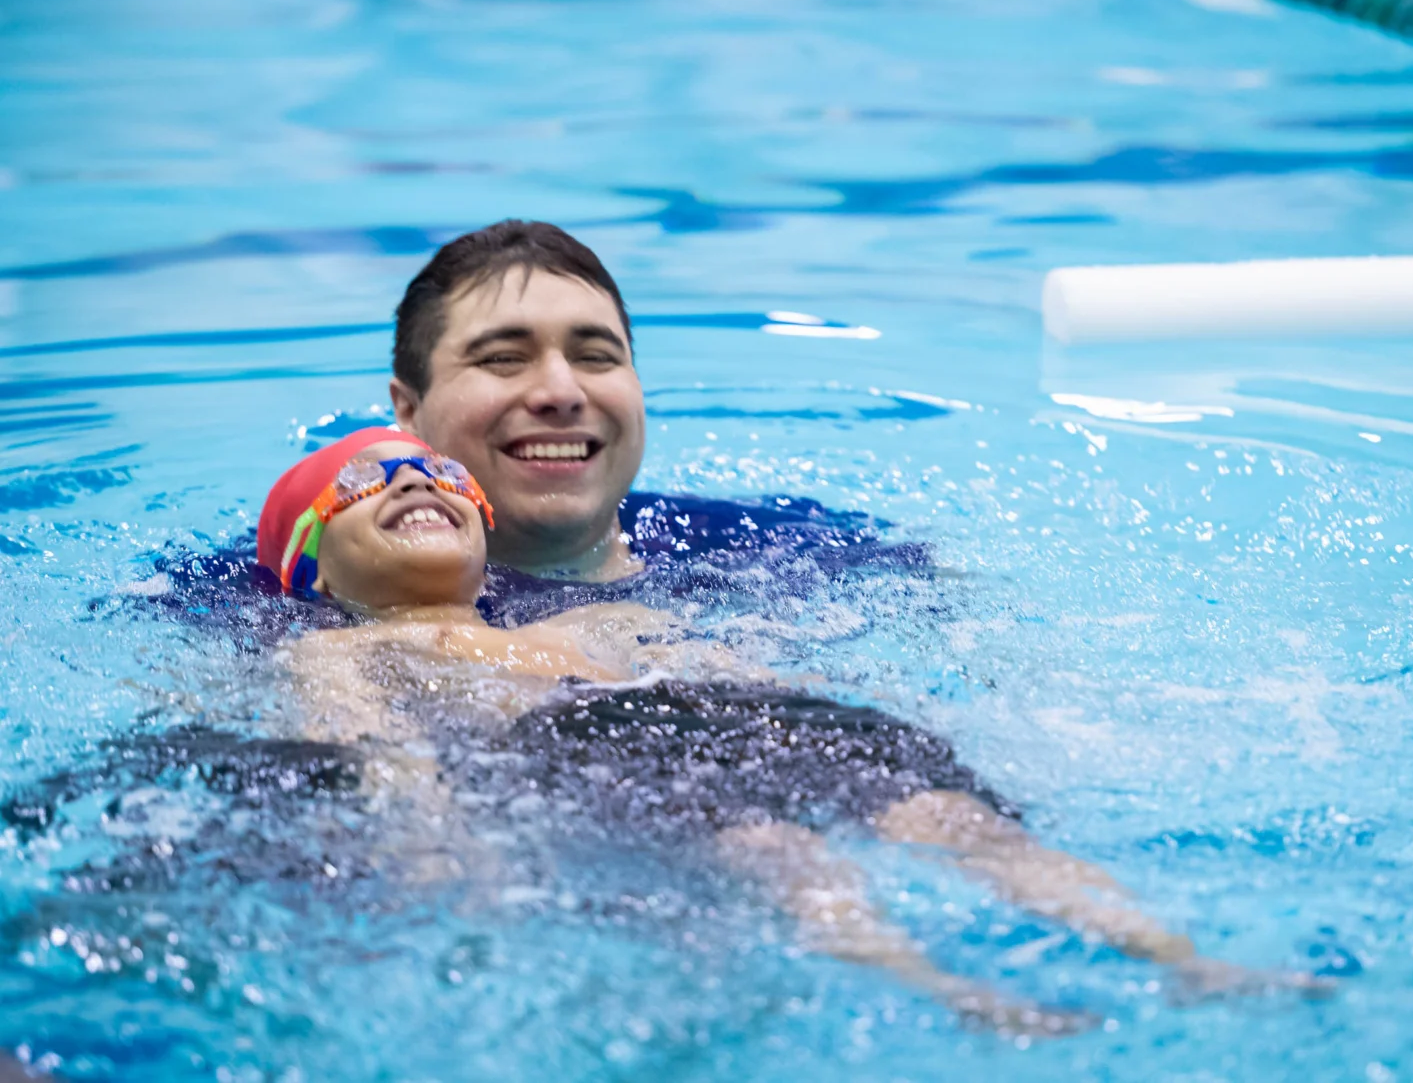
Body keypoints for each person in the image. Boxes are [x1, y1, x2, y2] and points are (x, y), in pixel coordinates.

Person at [255, 428, 1332, 1034]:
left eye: (439, 474)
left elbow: (746, 668)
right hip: (582, 749)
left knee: (960, 822)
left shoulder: (605, 612)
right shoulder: (337, 650)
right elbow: (366, 749)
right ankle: (954, 991)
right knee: (781, 855)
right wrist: (433, 837)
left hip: (758, 721)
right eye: (366, 481)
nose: (412, 479)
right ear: (312, 558)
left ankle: (1183, 959)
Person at [388, 219, 645, 580]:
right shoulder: (321, 608)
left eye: (595, 356)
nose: (562, 393)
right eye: (503, 358)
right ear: (409, 410)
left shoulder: (740, 545)